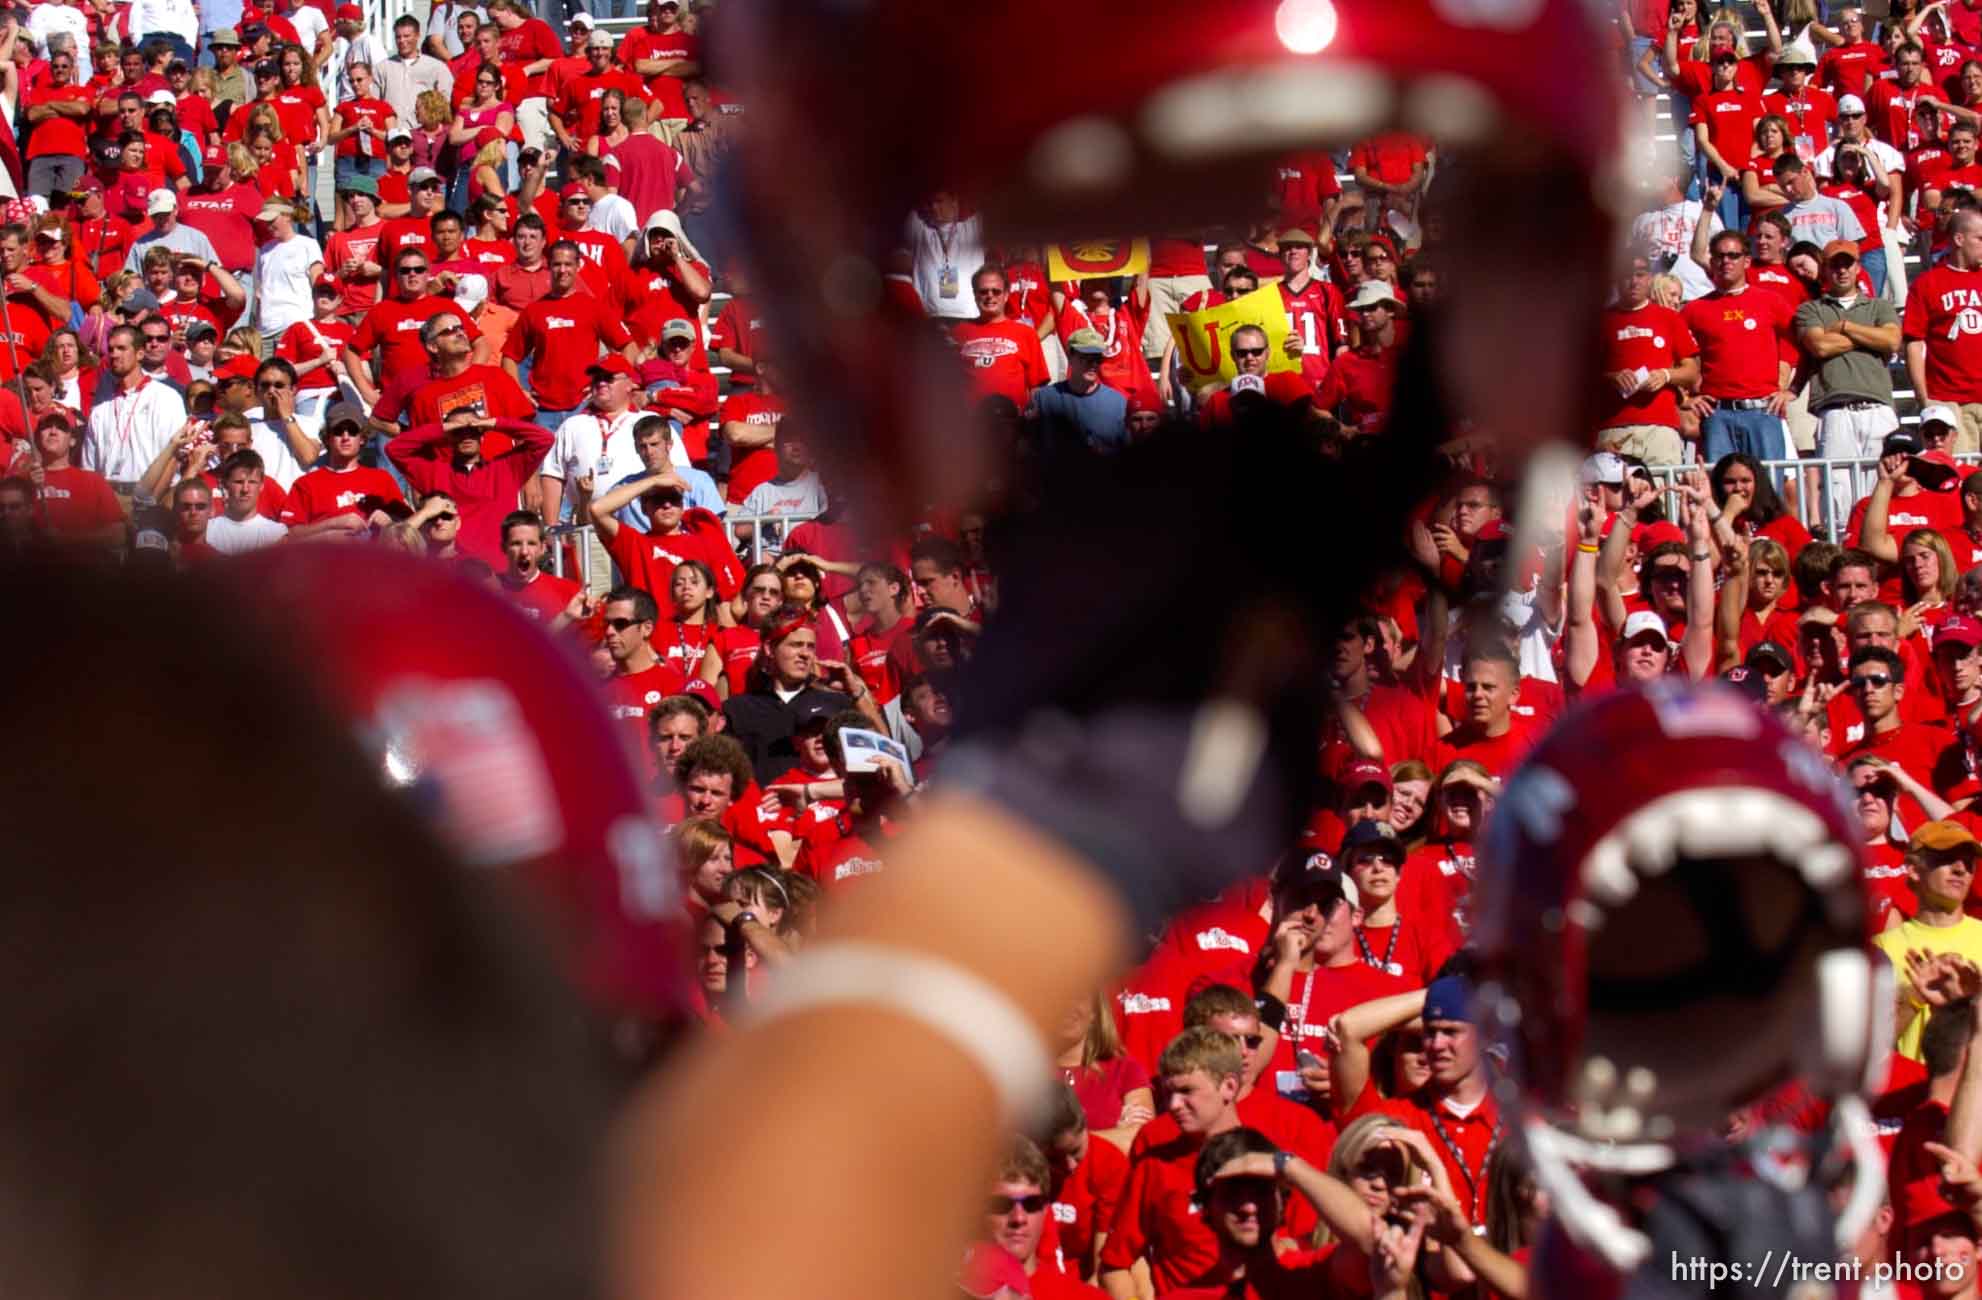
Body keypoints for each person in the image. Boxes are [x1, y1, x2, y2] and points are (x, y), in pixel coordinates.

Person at [1680, 228, 1797, 461]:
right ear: (1711, 261)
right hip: (1717, 414)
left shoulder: (1771, 301)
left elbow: (1803, 343)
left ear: (1747, 261)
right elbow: (1670, 355)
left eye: (1733, 255)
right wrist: (1684, 399)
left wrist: (1792, 390)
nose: (1726, 261)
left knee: (1769, 489)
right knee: (1721, 490)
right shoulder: (1694, 310)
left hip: (1764, 411)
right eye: (1720, 256)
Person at [383, 405, 550, 564]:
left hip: (499, 575)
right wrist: (443, 428)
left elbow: (544, 439)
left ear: (482, 434)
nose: (466, 436)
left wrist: (493, 423)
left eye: (472, 430)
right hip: (454, 575)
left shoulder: (507, 468)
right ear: (449, 437)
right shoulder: (433, 473)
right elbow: (395, 449)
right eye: (459, 432)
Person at [502, 239, 636, 434]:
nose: (562, 270)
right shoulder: (534, 311)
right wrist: (519, 392)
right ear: (548, 266)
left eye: (568, 264)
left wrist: (610, 382)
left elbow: (628, 347)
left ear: (577, 266)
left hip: (584, 408)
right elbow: (509, 357)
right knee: (546, 465)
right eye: (557, 264)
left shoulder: (593, 307)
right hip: (543, 411)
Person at [1878, 822, 1982, 1059]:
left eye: (1969, 862)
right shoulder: (1881, 949)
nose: (1961, 869)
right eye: (1948, 858)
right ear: (1914, 869)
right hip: (1911, 1093)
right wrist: (1913, 999)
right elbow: (1865, 1051)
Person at [1597, 250, 1701, 466]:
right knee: (1616, 496)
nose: (1633, 281)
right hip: (1612, 428)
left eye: (1640, 274)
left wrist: (1665, 375)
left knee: (1664, 494)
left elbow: (1692, 372)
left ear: (1650, 279)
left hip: (1660, 427)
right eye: (1627, 275)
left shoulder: (1669, 318)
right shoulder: (1600, 322)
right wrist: (1611, 377)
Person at [79, 321, 184, 486]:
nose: (114, 354)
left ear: (140, 354)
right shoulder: (101, 407)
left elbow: (172, 457)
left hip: (148, 493)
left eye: (122, 348)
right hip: (107, 495)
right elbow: (89, 463)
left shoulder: (166, 398)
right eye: (111, 349)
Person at [279, 400, 402, 535]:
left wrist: (390, 522)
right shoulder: (306, 484)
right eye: (338, 431)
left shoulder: (382, 479)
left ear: (362, 438)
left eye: (352, 431)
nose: (345, 437)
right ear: (327, 438)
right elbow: (289, 533)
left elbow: (410, 527)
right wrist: (333, 524)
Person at [251, 196, 322, 348]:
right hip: (265, 330)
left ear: (287, 217)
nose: (268, 226)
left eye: (272, 220)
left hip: (296, 324)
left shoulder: (307, 245)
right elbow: (261, 291)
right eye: (267, 222)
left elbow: (318, 282)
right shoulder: (265, 250)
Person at [494, 508, 580, 622]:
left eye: (531, 543)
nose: (524, 551)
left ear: (542, 548)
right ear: (503, 547)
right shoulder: (486, 591)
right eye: (516, 543)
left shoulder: (569, 593)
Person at [203, 446, 288, 553]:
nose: (245, 489)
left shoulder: (276, 534)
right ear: (224, 484)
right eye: (238, 482)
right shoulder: (206, 531)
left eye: (252, 482)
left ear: (261, 485)